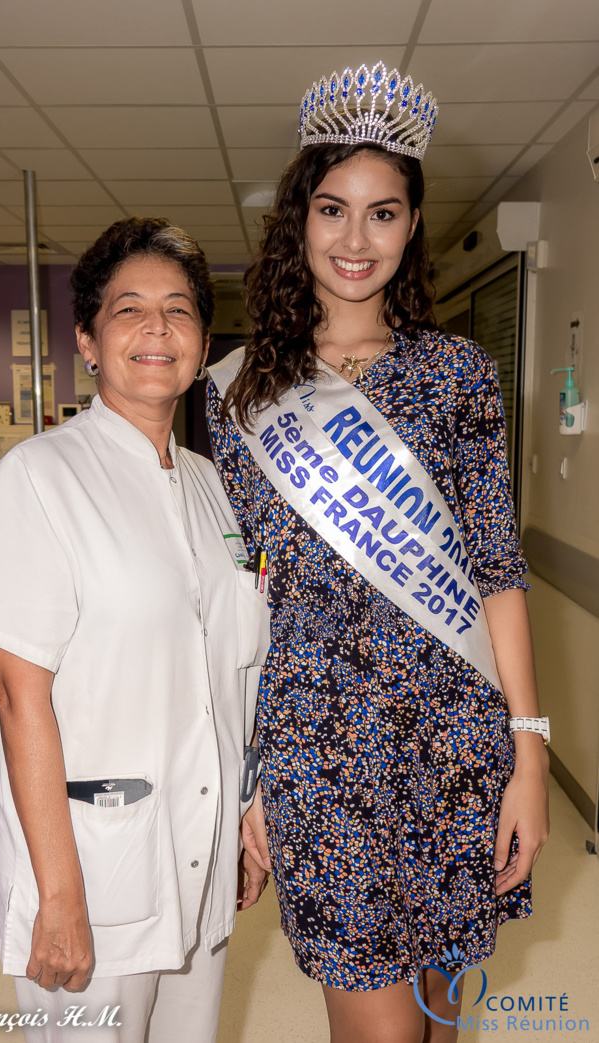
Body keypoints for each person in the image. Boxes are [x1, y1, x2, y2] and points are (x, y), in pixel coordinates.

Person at [206, 62, 550, 1043]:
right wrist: (248, 774)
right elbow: (238, 600)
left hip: (452, 745)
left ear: (409, 227)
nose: (354, 240)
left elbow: (494, 565)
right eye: (330, 208)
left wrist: (526, 756)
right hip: (316, 752)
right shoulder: (241, 398)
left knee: (442, 1020)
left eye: (382, 213)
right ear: (297, 221)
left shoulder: (454, 374)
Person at [0, 216, 270, 1043]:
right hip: (91, 864)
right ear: (86, 339)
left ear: (201, 340)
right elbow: (17, 694)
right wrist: (59, 895)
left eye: (179, 309)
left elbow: (231, 671)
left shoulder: (214, 488)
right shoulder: (40, 477)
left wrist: (245, 812)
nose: (157, 328)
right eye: (128, 309)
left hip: (198, 851)